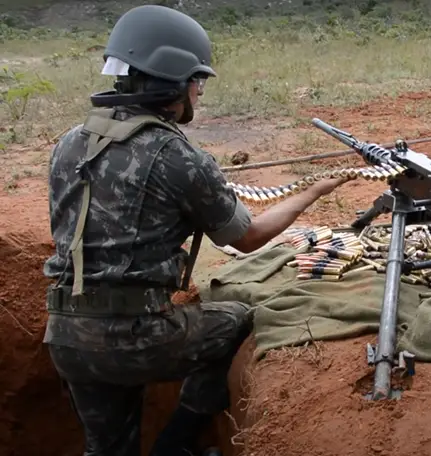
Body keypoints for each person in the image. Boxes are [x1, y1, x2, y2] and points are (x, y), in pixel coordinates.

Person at [42, 5, 349, 456]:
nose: (199, 94)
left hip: (66, 336)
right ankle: (177, 444)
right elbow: (247, 237)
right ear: (174, 82)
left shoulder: (70, 141)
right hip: (136, 337)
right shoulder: (175, 154)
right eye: (197, 81)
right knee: (237, 320)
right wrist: (314, 192)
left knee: (107, 448)